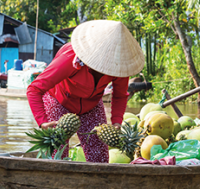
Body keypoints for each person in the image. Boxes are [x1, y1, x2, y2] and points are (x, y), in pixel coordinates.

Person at [26, 20, 145, 163]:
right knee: (58, 153)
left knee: (99, 156)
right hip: (59, 99)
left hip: (92, 104)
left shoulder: (119, 67)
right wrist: (42, 122)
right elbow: (34, 89)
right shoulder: (69, 59)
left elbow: (119, 95)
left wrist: (117, 122)